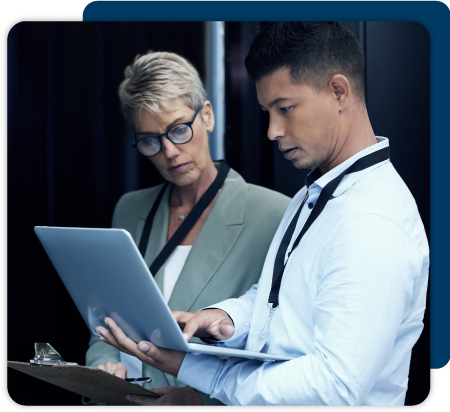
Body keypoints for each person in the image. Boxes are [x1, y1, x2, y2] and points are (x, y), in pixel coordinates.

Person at [96, 22, 430, 406]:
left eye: (285, 108)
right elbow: (276, 301)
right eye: (267, 112)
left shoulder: (372, 222)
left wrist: (198, 371)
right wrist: (224, 317)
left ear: (339, 91)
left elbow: (335, 386)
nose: (272, 131)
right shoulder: (317, 192)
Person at [85, 51, 291, 406]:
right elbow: (104, 322)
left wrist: (199, 399)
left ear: (207, 116)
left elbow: (280, 346)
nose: (169, 152)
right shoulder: (130, 209)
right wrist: (104, 366)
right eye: (150, 140)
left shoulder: (274, 213)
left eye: (179, 129)